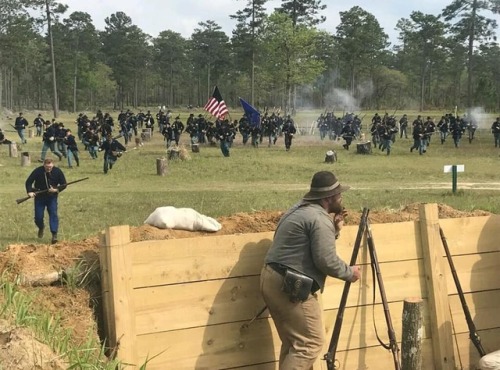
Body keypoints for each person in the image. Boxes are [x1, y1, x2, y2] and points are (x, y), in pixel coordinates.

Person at [260, 171, 361, 369]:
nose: (341, 197)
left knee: (294, 344)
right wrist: (350, 273)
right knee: (310, 344)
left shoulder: (298, 209)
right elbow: (326, 260)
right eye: (338, 194)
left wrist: (336, 229)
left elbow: (312, 246)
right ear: (329, 198)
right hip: (290, 285)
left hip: (272, 278)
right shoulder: (320, 219)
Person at [25, 158, 67, 244]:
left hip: (52, 197)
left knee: (53, 214)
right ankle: (41, 227)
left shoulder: (58, 171)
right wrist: (30, 192)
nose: (48, 168)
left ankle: (54, 234)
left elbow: (64, 184)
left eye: (50, 167)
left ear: (53, 165)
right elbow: (28, 182)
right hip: (39, 197)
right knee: (38, 217)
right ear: (44, 165)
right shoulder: (38, 171)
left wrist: (56, 190)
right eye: (47, 167)